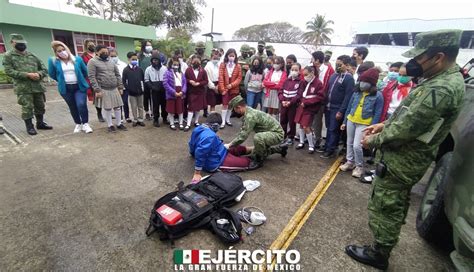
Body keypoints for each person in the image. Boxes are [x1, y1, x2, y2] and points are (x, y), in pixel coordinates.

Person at [345, 29, 465, 270]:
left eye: (419, 58)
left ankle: (379, 252)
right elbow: (411, 117)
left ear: (438, 57)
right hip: (404, 156)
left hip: (403, 159)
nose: (414, 63)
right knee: (394, 202)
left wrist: (373, 141)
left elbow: (409, 128)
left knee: (387, 204)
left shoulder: (440, 88)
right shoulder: (440, 81)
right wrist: (384, 124)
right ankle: (384, 244)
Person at [189, 112, 261, 183]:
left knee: (237, 148)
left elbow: (192, 143)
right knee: (246, 162)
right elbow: (200, 153)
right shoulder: (210, 136)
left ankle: (254, 148)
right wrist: (197, 173)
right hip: (216, 162)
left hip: (219, 150)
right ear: (216, 126)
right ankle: (253, 158)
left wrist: (193, 154)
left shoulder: (198, 128)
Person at [3, 33, 52, 135]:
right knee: (27, 107)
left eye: (23, 43)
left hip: (37, 86)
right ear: (12, 43)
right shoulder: (8, 56)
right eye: (18, 43)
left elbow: (44, 69)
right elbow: (8, 71)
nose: (21, 45)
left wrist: (39, 74)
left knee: (40, 106)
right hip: (23, 88)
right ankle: (30, 127)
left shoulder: (32, 55)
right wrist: (27, 75)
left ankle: (40, 123)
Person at [340, 68, 383, 178]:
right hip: (351, 120)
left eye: (366, 82)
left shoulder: (378, 96)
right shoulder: (357, 92)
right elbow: (349, 107)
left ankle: (359, 166)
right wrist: (345, 121)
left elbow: (377, 113)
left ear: (372, 83)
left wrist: (372, 128)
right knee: (349, 143)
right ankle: (350, 162)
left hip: (364, 124)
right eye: (361, 81)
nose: (362, 84)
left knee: (357, 146)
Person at [225, 95, 287, 168]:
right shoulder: (248, 111)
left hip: (277, 134)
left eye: (234, 110)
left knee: (258, 139)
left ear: (239, 108)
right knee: (256, 151)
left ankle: (258, 161)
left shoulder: (250, 116)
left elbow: (243, 136)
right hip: (269, 132)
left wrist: (229, 145)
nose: (235, 112)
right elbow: (243, 131)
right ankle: (280, 149)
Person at [48, 41, 92, 134]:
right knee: (72, 106)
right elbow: (52, 74)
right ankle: (78, 123)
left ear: (67, 49)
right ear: (56, 53)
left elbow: (85, 72)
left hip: (79, 86)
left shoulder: (77, 59)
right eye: (59, 51)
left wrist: (80, 79)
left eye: (63, 49)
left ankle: (85, 123)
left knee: (81, 104)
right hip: (66, 88)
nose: (62, 52)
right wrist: (61, 80)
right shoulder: (53, 61)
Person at [317, 55, 355, 158]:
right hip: (328, 106)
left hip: (337, 108)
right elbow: (328, 90)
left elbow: (348, 97)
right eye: (336, 64)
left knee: (334, 129)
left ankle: (331, 149)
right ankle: (327, 145)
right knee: (329, 127)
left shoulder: (349, 78)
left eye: (340, 64)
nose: (337, 66)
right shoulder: (334, 76)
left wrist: (341, 111)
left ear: (347, 65)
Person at [87, 44, 127, 132]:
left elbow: (117, 75)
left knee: (117, 107)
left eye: (106, 52)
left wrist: (120, 87)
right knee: (108, 108)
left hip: (114, 88)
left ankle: (119, 123)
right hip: (103, 88)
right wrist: (97, 89)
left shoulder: (111, 61)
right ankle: (110, 125)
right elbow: (91, 77)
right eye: (103, 52)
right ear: (97, 52)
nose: (105, 53)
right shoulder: (92, 62)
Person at [294, 66, 325, 153]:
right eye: (304, 75)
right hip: (302, 105)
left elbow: (320, 97)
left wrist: (307, 102)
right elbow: (300, 92)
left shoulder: (318, 83)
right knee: (300, 124)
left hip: (310, 107)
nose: (305, 76)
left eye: (306, 74)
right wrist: (300, 101)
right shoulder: (303, 81)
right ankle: (301, 142)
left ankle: (311, 145)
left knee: (306, 126)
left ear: (312, 73)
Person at [218, 48, 242, 129]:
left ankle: (228, 120)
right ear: (227, 56)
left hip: (234, 88)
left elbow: (239, 78)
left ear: (235, 56)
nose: (231, 57)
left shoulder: (238, 66)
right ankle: (223, 121)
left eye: (233, 56)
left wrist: (231, 85)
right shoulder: (223, 65)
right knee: (224, 104)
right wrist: (222, 89)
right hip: (225, 88)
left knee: (231, 105)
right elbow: (220, 77)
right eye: (230, 55)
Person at [279, 63, 302, 145]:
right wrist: (282, 100)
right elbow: (280, 91)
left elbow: (299, 95)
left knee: (291, 121)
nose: (294, 71)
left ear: (299, 71)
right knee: (282, 120)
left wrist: (290, 102)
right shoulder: (286, 80)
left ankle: (291, 137)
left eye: (296, 70)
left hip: (292, 105)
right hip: (283, 104)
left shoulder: (300, 82)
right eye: (292, 70)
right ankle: (282, 136)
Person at [80, 39, 103, 122]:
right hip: (92, 79)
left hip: (102, 77)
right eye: (90, 45)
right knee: (97, 97)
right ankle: (99, 113)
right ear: (86, 46)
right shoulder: (83, 57)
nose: (92, 46)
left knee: (105, 96)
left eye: (93, 45)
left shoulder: (98, 54)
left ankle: (107, 112)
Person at [310, 51, 329, 148]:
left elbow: (327, 86)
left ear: (317, 60)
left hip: (320, 99)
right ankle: (310, 137)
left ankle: (317, 138)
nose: (312, 61)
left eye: (313, 59)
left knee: (317, 120)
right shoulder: (313, 69)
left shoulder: (328, 70)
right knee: (310, 119)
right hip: (311, 98)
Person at [184, 56, 208, 131]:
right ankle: (188, 124)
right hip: (191, 92)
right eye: (195, 62)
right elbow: (185, 79)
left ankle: (196, 122)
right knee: (191, 107)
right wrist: (190, 81)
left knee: (198, 108)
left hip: (200, 92)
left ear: (200, 63)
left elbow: (206, 81)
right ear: (192, 62)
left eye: (198, 62)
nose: (196, 63)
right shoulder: (188, 70)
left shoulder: (203, 71)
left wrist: (199, 83)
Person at [144, 53, 168, 127]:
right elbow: (146, 80)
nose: (155, 62)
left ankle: (164, 118)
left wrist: (165, 86)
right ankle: (156, 119)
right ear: (151, 61)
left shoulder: (164, 68)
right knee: (155, 105)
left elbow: (167, 78)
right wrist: (152, 87)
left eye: (157, 60)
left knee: (164, 105)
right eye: (154, 60)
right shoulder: (148, 69)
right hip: (154, 89)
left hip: (163, 88)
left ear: (159, 60)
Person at [122, 52, 145, 127]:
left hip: (140, 92)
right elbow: (124, 81)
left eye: (136, 59)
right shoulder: (126, 70)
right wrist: (128, 89)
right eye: (133, 59)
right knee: (134, 107)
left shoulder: (140, 69)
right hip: (131, 93)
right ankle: (135, 120)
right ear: (129, 59)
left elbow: (143, 80)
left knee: (140, 106)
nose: (135, 60)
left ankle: (141, 119)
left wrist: (142, 89)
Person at [164, 57, 187, 130]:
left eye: (177, 64)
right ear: (171, 64)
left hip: (180, 93)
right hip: (171, 93)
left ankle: (180, 123)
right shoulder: (167, 73)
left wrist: (182, 91)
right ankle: (172, 123)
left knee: (180, 109)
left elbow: (185, 84)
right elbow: (165, 84)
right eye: (174, 64)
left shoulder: (181, 73)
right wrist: (173, 92)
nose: (176, 66)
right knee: (171, 109)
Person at [108, 47, 130, 123]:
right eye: (111, 56)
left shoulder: (123, 64)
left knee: (125, 102)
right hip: (114, 88)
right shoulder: (108, 65)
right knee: (117, 104)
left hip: (124, 87)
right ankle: (120, 118)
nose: (113, 58)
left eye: (115, 56)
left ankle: (127, 117)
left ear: (117, 55)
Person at [138, 40, 154, 120]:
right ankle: (147, 112)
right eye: (148, 45)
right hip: (144, 80)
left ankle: (153, 112)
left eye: (150, 45)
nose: (149, 47)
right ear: (144, 46)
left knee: (152, 97)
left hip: (153, 80)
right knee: (145, 97)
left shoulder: (152, 55)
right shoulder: (140, 56)